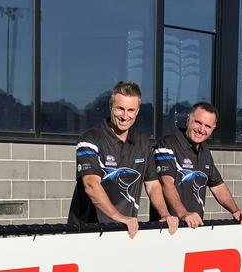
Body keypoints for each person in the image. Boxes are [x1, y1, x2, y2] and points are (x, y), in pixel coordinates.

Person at [67, 81, 178, 238]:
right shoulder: (90, 139)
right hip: (87, 233)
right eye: (120, 108)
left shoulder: (144, 142)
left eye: (131, 110)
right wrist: (118, 216)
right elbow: (91, 184)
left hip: (125, 231)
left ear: (137, 111)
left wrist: (165, 214)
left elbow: (153, 186)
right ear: (111, 106)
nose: (125, 116)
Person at [153, 102, 242, 228]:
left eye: (207, 126)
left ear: (213, 129)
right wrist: (184, 214)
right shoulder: (167, 144)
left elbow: (218, 186)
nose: (201, 130)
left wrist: (236, 211)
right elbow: (166, 183)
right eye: (198, 123)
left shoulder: (205, 150)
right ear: (188, 119)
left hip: (195, 227)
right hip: (169, 228)